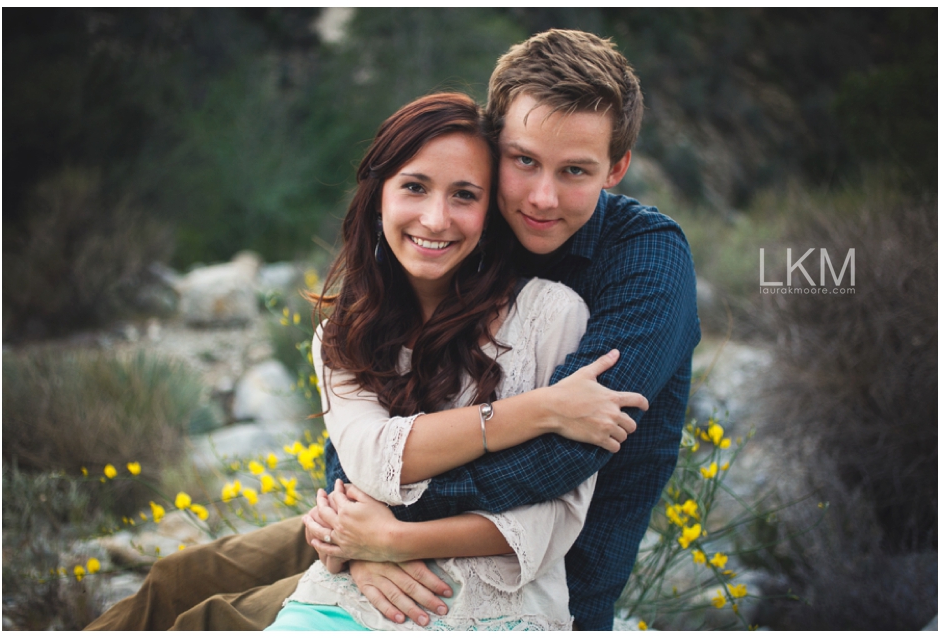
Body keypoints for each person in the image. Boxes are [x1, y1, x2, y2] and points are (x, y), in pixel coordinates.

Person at [85, 28, 699, 632]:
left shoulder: (645, 263)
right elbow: (365, 384)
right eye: (523, 161)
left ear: (616, 168)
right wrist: (355, 518)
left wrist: (385, 530)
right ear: (495, 146)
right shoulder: (464, 220)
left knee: (211, 621)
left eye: (575, 171)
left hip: (524, 572)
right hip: (384, 515)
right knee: (174, 583)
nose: (542, 196)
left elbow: (566, 454)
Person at [263, 92, 643, 630]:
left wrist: (390, 539)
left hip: (501, 609)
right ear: (378, 198)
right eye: (415, 187)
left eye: (464, 195)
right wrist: (543, 409)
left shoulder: (552, 316)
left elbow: (556, 520)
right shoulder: (340, 337)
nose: (436, 219)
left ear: (489, 214)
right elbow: (372, 463)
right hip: (346, 598)